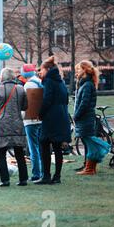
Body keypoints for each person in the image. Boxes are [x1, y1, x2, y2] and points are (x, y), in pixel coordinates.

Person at [35, 56, 71, 185]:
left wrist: (40, 113)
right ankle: (57, 176)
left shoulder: (48, 81)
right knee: (57, 147)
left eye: (42, 70)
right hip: (62, 116)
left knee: (44, 144)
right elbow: (66, 99)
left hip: (51, 118)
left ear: (48, 69)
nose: (40, 72)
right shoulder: (60, 81)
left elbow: (47, 100)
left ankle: (46, 176)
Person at [0, 68, 29, 187]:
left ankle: (5, 180)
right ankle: (23, 179)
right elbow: (25, 106)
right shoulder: (20, 89)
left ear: (3, 77)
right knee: (19, 153)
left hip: (3, 125)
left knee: (1, 153)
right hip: (18, 124)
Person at [74, 61, 108, 175]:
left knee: (90, 142)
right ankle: (90, 168)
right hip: (85, 117)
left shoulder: (87, 85)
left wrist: (76, 115)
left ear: (84, 70)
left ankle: (89, 168)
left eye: (78, 69)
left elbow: (84, 103)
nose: (77, 72)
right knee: (89, 142)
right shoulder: (85, 83)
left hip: (85, 118)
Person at [21, 64, 43, 181]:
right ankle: (43, 172)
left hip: (31, 120)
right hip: (41, 119)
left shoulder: (28, 85)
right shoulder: (40, 82)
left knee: (33, 148)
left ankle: (36, 174)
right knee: (41, 147)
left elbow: (26, 105)